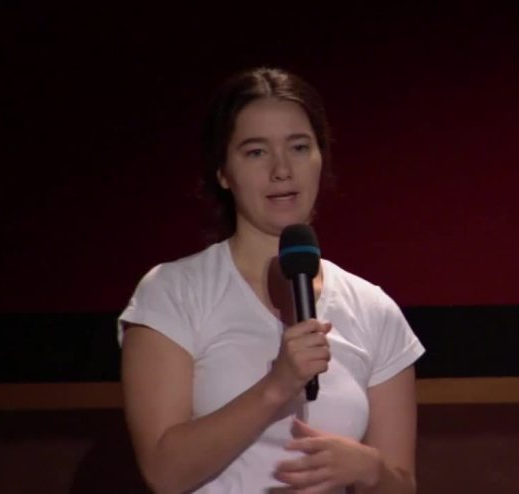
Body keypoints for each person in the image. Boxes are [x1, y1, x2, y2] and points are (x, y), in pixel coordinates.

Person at [118, 67, 425, 493]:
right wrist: (276, 387)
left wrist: (370, 469)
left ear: (321, 157)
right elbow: (163, 472)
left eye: (299, 147)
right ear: (223, 171)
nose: (282, 170)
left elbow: (402, 485)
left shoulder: (373, 310)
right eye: (256, 152)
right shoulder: (174, 292)